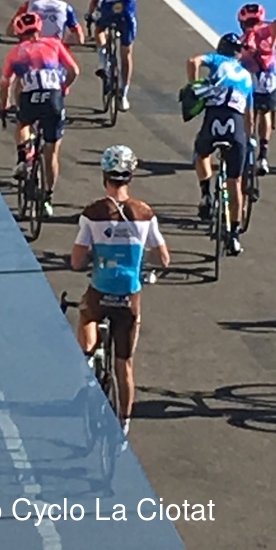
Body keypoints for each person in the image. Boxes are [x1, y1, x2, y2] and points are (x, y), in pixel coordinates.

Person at [71, 145, 170, 435]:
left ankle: (88, 356)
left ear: (104, 175)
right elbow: (163, 258)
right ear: (131, 176)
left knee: (86, 313)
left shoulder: (92, 213)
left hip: (101, 289)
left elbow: (76, 261)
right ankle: (124, 424)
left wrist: (94, 255)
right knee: (124, 365)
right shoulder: (144, 213)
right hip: (129, 294)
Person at [0, 12, 80, 216]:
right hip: (53, 99)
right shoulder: (54, 44)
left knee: (23, 123)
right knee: (52, 153)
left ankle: (23, 157)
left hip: (31, 98)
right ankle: (48, 197)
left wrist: (4, 104)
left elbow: (5, 84)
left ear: (19, 33)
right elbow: (74, 71)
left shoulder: (15, 53)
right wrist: (63, 88)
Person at [186, 33, 254, 255]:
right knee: (235, 182)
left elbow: (192, 61)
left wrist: (194, 86)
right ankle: (234, 235)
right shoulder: (247, 76)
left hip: (213, 119)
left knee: (201, 153)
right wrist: (250, 138)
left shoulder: (216, 60)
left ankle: (206, 194)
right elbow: (249, 116)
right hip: (236, 126)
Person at [87, 0, 138, 112]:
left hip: (108, 8)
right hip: (127, 10)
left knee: (99, 29)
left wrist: (90, 14)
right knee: (126, 53)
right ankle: (124, 95)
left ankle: (103, 61)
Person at [237, 3, 276, 176]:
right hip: (268, 84)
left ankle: (248, 146)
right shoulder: (265, 32)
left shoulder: (244, 38)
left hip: (251, 82)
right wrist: (273, 46)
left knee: (248, 114)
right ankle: (262, 154)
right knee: (265, 113)